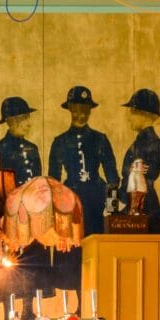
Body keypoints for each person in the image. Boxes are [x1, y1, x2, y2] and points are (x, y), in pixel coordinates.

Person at [46, 85, 120, 290]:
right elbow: (54, 180)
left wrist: (111, 209)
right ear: (69, 110)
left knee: (95, 250)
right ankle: (78, 303)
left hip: (96, 202)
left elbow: (112, 175)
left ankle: (96, 296)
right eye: (76, 109)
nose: (80, 114)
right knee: (73, 253)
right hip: (71, 203)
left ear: (90, 111)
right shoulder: (60, 142)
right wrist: (57, 212)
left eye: (85, 109)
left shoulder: (100, 139)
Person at [0, 95, 45, 301]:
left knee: (31, 263)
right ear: (10, 122)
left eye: (28, 118)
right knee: (7, 267)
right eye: (22, 119)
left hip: (31, 214)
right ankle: (8, 315)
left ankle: (29, 310)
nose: (28, 124)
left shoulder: (32, 149)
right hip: (8, 215)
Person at [120, 86, 160, 234]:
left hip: (141, 204)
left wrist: (119, 203)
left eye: (133, 112)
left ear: (144, 115)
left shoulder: (150, 142)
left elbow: (142, 178)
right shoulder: (142, 141)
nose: (129, 117)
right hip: (135, 202)